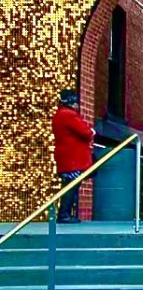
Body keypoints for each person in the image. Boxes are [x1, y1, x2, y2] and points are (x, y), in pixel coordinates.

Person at [52, 89, 94, 224]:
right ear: (71, 102)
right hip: (73, 158)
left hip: (66, 156)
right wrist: (92, 131)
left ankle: (66, 214)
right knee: (71, 186)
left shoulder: (59, 115)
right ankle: (64, 214)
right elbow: (86, 132)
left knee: (69, 185)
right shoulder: (69, 115)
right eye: (76, 102)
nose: (78, 105)